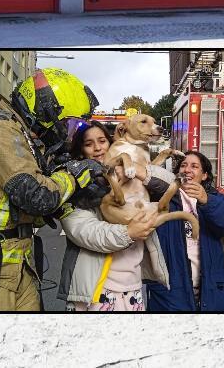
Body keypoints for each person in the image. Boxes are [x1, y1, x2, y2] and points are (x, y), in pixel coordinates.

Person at [0, 68, 110, 311]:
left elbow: (26, 208)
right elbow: (36, 196)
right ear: (47, 112)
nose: (69, 134)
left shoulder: (22, 137)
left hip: (14, 266)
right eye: (70, 124)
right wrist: (74, 175)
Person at [56, 120, 173, 312]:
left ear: (111, 143)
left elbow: (170, 184)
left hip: (133, 286)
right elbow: (84, 232)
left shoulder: (130, 170)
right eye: (88, 144)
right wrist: (129, 232)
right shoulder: (74, 183)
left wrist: (138, 172)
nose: (97, 148)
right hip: (95, 290)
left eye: (102, 141)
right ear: (80, 150)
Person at [146, 151, 224, 311]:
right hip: (171, 293)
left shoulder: (213, 198)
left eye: (194, 166)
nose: (187, 170)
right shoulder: (163, 198)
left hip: (210, 289)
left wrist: (206, 200)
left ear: (204, 176)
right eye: (183, 165)